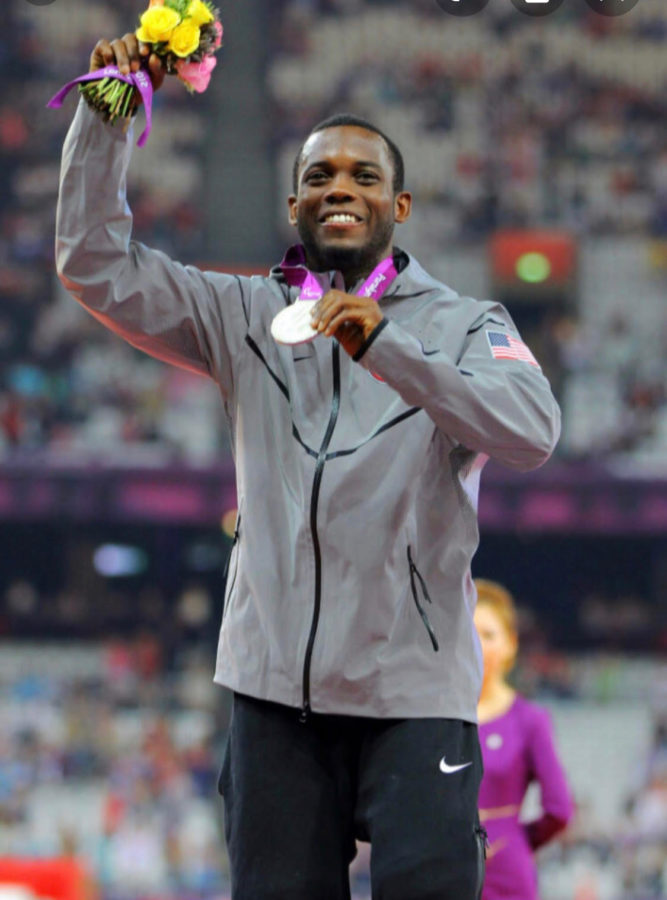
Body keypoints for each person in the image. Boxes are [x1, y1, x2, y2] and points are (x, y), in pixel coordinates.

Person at [56, 32, 562, 900]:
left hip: (415, 696)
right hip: (271, 696)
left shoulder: (467, 323)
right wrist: (108, 118)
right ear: (293, 202)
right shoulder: (242, 314)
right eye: (320, 176)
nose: (340, 189)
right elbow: (94, 265)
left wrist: (386, 347)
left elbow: (530, 430)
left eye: (363, 177)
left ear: (399, 206)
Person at [473, 579, 574, 900]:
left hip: (505, 873)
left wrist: (513, 838)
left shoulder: (529, 720)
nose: (478, 645)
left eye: (489, 635)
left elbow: (560, 808)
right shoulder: (435, 718)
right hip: (441, 870)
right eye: (468, 634)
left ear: (510, 644)